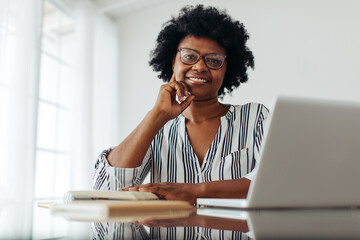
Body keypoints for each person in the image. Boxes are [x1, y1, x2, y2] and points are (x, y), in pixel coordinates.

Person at [93, 5, 269, 204]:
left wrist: (194, 191)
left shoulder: (256, 117)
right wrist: (156, 116)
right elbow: (105, 191)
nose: (200, 66)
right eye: (189, 56)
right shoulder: (157, 129)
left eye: (213, 60)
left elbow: (272, 183)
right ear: (173, 63)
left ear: (226, 70)